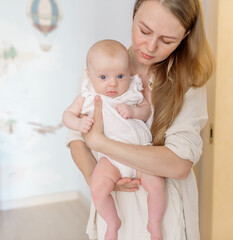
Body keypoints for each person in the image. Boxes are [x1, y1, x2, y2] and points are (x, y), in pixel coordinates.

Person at [66, 0, 214, 239]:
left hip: (166, 221)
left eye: (167, 40)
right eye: (144, 31)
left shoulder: (188, 83)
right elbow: (76, 137)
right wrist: (95, 177)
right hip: (114, 212)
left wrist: (102, 144)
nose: (150, 46)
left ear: (185, 36)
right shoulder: (103, 66)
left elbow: (179, 164)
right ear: (133, 15)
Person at [62, 40, 166, 240]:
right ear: (89, 76)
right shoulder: (88, 96)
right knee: (98, 188)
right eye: (103, 77)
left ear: (128, 72)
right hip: (110, 159)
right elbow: (67, 115)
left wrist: (133, 111)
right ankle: (112, 222)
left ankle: (154, 223)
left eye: (120, 76)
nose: (113, 83)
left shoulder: (132, 92)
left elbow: (146, 111)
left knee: (157, 185)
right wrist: (78, 124)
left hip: (140, 154)